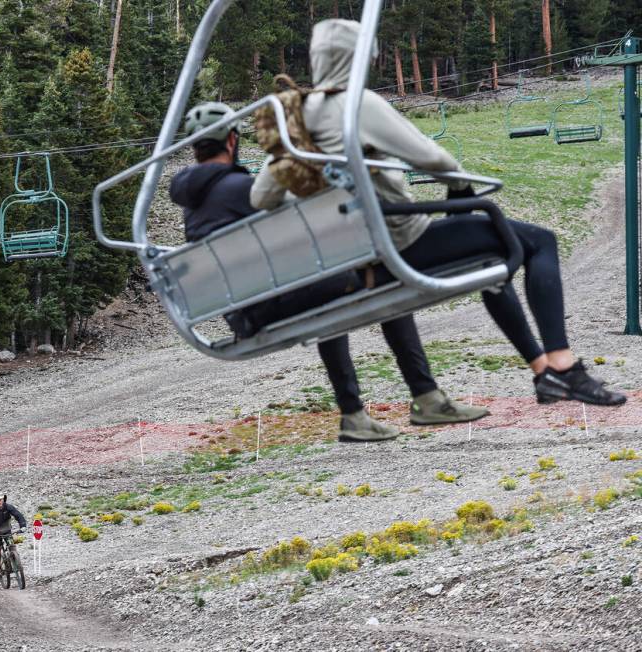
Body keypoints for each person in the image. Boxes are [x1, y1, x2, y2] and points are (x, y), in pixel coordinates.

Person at [250, 19, 625, 407]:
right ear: (361, 57)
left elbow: (262, 197)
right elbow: (437, 159)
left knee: (490, 260)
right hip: (403, 245)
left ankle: (542, 371)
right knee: (538, 241)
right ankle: (564, 366)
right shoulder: (356, 106)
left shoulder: (295, 118)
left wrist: (328, 201)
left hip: (354, 258)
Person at [170, 101, 489, 443]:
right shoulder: (240, 190)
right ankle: (425, 396)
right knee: (385, 278)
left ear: (195, 148)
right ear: (232, 141)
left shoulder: (193, 202)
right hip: (268, 304)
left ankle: (354, 413)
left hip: (245, 311)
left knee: (330, 287)